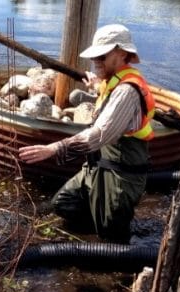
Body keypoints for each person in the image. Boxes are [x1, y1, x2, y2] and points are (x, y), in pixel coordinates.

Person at [18, 24, 155, 243]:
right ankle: (90, 238)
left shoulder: (127, 91)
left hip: (120, 174)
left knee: (112, 236)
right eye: (95, 56)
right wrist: (96, 87)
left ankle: (116, 257)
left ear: (121, 53)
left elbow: (100, 134)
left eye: (102, 55)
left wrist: (55, 148)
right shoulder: (113, 82)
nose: (96, 61)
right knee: (63, 204)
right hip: (97, 166)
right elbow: (108, 98)